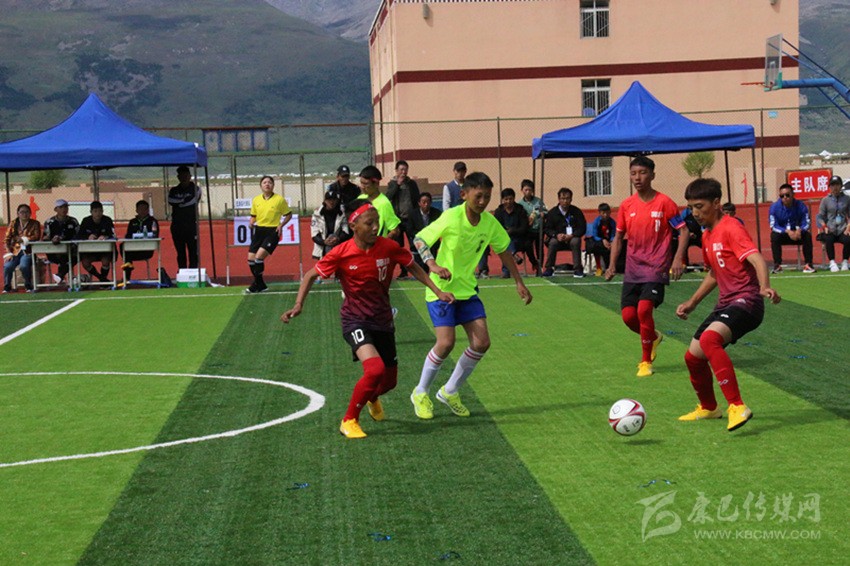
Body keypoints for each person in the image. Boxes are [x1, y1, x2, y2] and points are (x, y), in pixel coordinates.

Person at [281, 203, 455, 439]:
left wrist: (437, 291)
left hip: (383, 320)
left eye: (377, 223)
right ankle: (349, 420)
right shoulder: (341, 252)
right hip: (355, 320)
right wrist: (298, 305)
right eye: (369, 223)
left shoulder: (388, 247)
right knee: (374, 369)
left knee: (389, 382)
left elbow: (413, 267)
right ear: (353, 226)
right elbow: (311, 275)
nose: (375, 228)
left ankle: (372, 396)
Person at [410, 172, 533, 419]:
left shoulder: (489, 223)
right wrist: (432, 264)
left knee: (481, 343)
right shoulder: (451, 217)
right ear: (464, 194)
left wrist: (519, 282)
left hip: (467, 290)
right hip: (441, 290)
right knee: (446, 343)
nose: (482, 202)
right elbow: (420, 239)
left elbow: (504, 251)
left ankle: (449, 391)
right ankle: (420, 392)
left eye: (487, 197)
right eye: (478, 196)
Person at [675, 178, 780, 432]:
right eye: (691, 207)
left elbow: (756, 258)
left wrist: (764, 286)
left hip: (747, 301)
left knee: (710, 340)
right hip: (725, 304)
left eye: (699, 206)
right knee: (693, 357)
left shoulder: (732, 227)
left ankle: (737, 406)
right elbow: (714, 272)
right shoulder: (707, 235)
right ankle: (709, 408)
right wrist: (692, 302)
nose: (695, 213)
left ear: (716, 203)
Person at [604, 156, 688, 378]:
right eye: (633, 173)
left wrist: (677, 258)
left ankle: (645, 361)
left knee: (643, 310)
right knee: (628, 317)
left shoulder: (664, 203)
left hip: (656, 267)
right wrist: (611, 265)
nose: (637, 178)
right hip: (633, 269)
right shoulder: (626, 205)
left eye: (642, 173)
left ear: (652, 175)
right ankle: (654, 337)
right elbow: (618, 237)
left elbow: (683, 230)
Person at [246, 176, 292, 293]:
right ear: (260, 185)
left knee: (259, 257)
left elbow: (288, 215)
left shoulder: (279, 200)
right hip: (259, 231)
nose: (267, 184)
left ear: (273, 185)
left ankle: (257, 284)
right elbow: (253, 216)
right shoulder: (256, 200)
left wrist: (281, 225)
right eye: (264, 182)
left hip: (272, 231)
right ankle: (260, 284)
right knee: (250, 259)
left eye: (269, 182)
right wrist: (251, 222)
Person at [768, 183, 815, 274]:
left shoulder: (801, 205)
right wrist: (787, 231)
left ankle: (808, 264)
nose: (785, 198)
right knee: (774, 236)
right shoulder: (774, 207)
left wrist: (800, 230)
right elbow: (773, 225)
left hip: (798, 234)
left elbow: (806, 222)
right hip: (784, 234)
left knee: (807, 236)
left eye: (787, 195)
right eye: (782, 196)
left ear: (793, 194)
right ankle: (777, 265)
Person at [385, 160, 420, 277]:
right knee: (399, 246)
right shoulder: (392, 184)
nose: (403, 172)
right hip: (397, 220)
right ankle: (403, 271)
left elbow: (417, 199)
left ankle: (418, 270)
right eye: (401, 170)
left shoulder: (412, 184)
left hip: (410, 219)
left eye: (405, 170)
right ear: (396, 171)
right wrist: (397, 185)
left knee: (414, 244)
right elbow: (388, 197)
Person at [542, 187, 587, 278]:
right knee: (552, 242)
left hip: (571, 239)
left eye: (567, 198)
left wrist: (572, 235)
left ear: (571, 199)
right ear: (559, 199)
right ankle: (549, 268)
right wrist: (556, 235)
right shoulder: (552, 213)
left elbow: (582, 228)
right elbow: (547, 228)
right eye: (563, 198)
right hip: (558, 239)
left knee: (576, 241)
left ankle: (577, 269)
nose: (565, 201)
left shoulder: (577, 212)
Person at [168, 165, 201, 269]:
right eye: (181, 175)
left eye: (186, 175)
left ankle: (193, 272)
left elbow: (192, 201)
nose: (184, 178)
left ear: (190, 176)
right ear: (178, 177)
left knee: (193, 251)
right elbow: (171, 201)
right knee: (180, 252)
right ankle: (182, 272)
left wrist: (180, 202)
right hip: (177, 225)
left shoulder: (195, 189)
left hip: (191, 225)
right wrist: (183, 201)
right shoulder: (174, 190)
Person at [3, 204, 42, 293]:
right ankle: (7, 287)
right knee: (7, 266)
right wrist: (8, 253)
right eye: (22, 212)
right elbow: (6, 239)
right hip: (15, 252)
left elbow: (36, 236)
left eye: (27, 212)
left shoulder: (35, 223)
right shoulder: (13, 223)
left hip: (28, 251)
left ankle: (28, 285)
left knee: (24, 265)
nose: (25, 214)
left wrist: (24, 239)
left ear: (30, 213)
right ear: (18, 214)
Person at [492, 188, 530, 278]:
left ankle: (506, 271)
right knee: (506, 242)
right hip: (503, 239)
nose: (508, 201)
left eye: (510, 199)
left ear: (514, 199)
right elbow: (496, 228)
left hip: (519, 239)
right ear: (502, 200)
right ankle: (513, 254)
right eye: (506, 199)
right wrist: (504, 233)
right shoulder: (499, 212)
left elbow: (524, 228)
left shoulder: (520, 210)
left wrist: (512, 231)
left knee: (508, 243)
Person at [816, 175, 850, 272]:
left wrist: (848, 228)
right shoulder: (825, 200)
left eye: (837, 185)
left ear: (841, 186)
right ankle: (832, 262)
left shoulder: (847, 199)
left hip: (842, 229)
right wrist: (824, 226)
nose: (835, 187)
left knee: (848, 240)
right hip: (830, 229)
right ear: (829, 187)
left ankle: (845, 261)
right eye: (833, 185)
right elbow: (820, 217)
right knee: (828, 239)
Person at [355, 165, 400, 239]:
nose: (362, 186)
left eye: (366, 184)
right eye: (361, 183)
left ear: (376, 184)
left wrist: (381, 243)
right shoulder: (360, 199)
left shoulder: (384, 203)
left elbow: (395, 230)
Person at [42, 199, 80, 285]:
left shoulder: (73, 221)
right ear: (56, 209)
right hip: (54, 251)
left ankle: (60, 275)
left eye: (66, 207)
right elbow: (45, 237)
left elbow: (79, 235)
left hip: (71, 251)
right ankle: (61, 276)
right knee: (62, 257)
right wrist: (52, 239)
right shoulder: (49, 222)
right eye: (61, 207)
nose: (64, 209)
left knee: (75, 256)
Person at [77, 200, 116, 283]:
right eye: (95, 211)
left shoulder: (107, 220)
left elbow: (113, 235)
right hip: (89, 250)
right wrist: (88, 237)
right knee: (85, 263)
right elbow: (79, 235)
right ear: (91, 212)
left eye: (100, 211)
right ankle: (101, 278)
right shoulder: (85, 221)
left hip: (104, 250)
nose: (98, 213)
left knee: (106, 261)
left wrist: (105, 237)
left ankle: (103, 279)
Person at [121, 200, 160, 282]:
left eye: (144, 209)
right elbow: (128, 236)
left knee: (128, 256)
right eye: (140, 209)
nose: (142, 211)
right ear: (136, 210)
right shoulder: (132, 222)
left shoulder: (152, 221)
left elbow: (155, 235)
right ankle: (127, 275)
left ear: (148, 210)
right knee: (123, 247)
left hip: (146, 250)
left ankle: (127, 273)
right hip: (133, 250)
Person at [310, 191, 350, 260]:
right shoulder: (317, 215)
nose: (331, 202)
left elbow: (346, 231)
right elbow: (314, 234)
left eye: (333, 199)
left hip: (338, 246)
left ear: (337, 201)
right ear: (325, 201)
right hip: (322, 248)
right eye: (329, 200)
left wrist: (338, 239)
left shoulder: (342, 214)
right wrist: (324, 242)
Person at [407, 192, 442, 270]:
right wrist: (422, 236)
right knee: (421, 268)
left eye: (428, 202)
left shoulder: (437, 213)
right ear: (419, 203)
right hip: (418, 243)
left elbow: (439, 228)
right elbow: (410, 230)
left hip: (432, 243)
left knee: (434, 266)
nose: (426, 204)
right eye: (423, 202)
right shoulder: (412, 214)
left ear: (431, 202)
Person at [518, 179, 545, 271]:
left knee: (539, 248)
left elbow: (544, 211)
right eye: (526, 190)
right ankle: (534, 262)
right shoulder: (520, 204)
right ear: (522, 190)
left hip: (538, 229)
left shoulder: (538, 201)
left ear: (533, 190)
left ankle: (540, 267)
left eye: (530, 190)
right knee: (527, 245)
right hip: (528, 230)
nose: (528, 192)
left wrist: (542, 214)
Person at [586, 202, 616, 276]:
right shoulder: (596, 221)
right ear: (599, 213)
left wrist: (611, 241)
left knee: (616, 246)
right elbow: (595, 235)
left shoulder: (612, 222)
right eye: (603, 213)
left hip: (609, 241)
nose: (605, 215)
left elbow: (613, 234)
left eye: (607, 213)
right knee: (596, 247)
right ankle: (599, 268)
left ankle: (611, 267)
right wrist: (603, 240)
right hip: (599, 240)